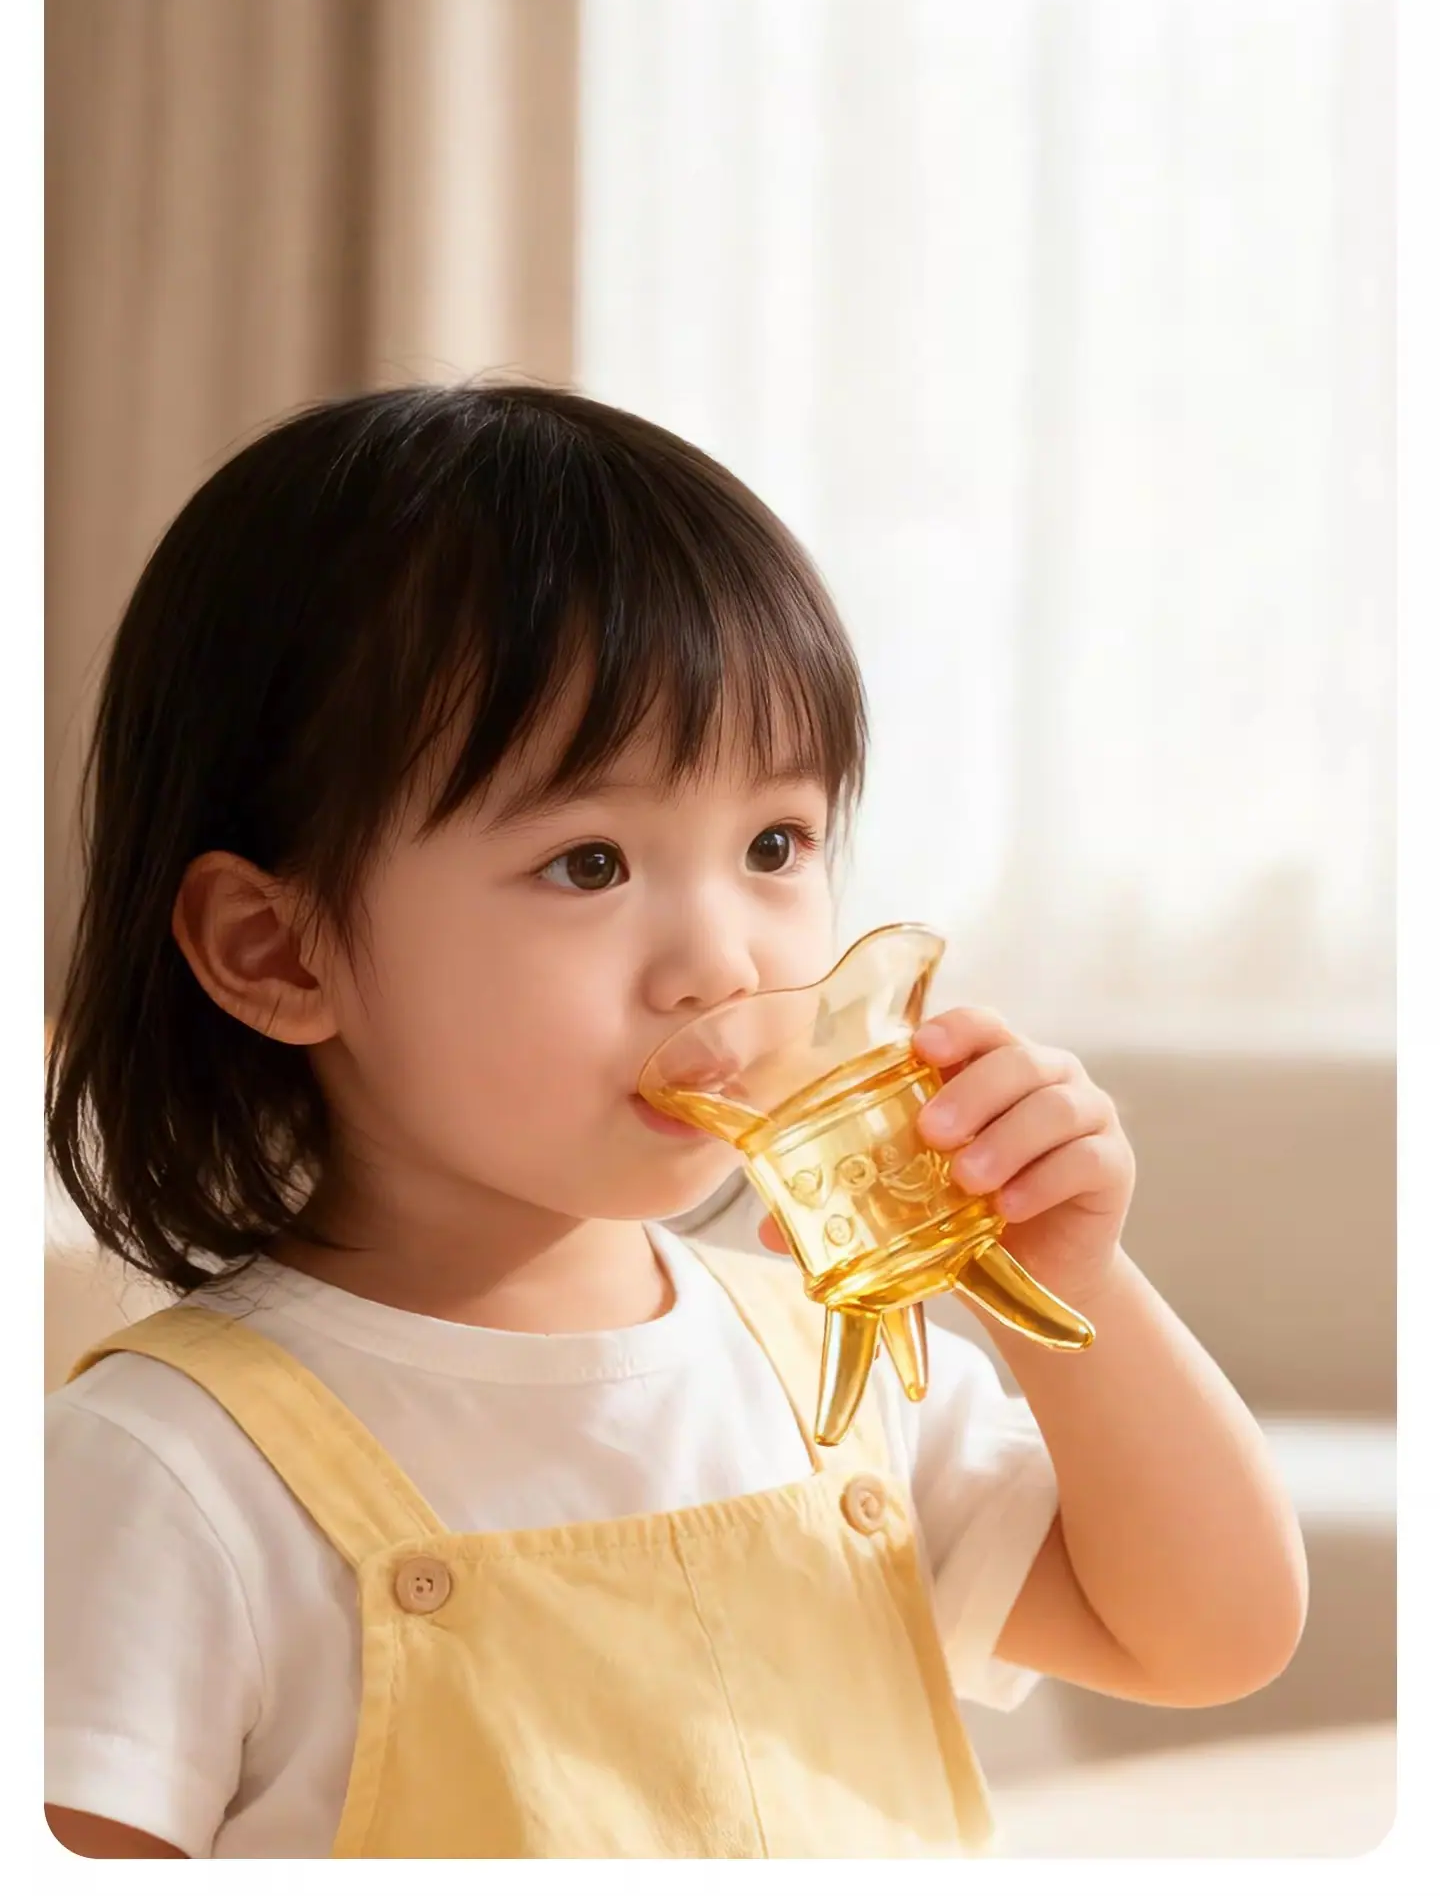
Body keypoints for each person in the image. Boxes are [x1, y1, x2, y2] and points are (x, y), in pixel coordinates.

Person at [44, 384, 1308, 1860]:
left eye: (775, 843)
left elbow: (1210, 1633)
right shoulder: (171, 1467)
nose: (724, 960)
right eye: (590, 862)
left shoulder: (829, 1370)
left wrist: (1068, 1284)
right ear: (281, 949)